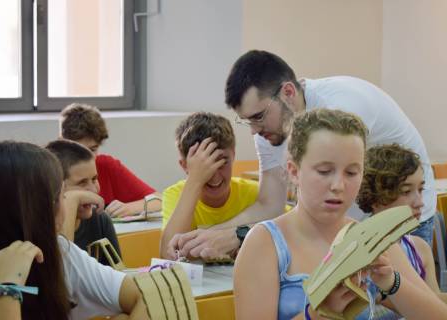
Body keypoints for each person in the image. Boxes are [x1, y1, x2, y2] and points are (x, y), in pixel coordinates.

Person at [177, 50, 436, 259]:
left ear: (288, 93)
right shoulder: (272, 128)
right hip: (344, 225)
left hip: (401, 215)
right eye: (247, 121)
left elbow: (327, 201)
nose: (255, 131)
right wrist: (206, 235)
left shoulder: (342, 109)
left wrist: (240, 234)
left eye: (258, 117)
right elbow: (270, 203)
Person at [234, 109, 447, 320]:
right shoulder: (264, 244)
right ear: (294, 171)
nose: (338, 185)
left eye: (352, 173)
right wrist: (319, 312)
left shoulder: (370, 239)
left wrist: (391, 282)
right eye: (324, 171)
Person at [0, 141, 147, 320]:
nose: (66, 206)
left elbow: (145, 297)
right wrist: (6, 290)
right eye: (62, 196)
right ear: (39, 211)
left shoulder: (61, 253)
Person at [160, 112, 260, 260]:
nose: (215, 177)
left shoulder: (256, 193)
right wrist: (195, 179)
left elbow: (295, 227)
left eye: (222, 162)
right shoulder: (175, 195)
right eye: (204, 166)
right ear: (184, 165)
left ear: (233, 156)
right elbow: (168, 257)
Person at [357, 143, 447, 305]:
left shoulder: (420, 249)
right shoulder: (362, 253)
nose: (420, 203)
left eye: (420, 190)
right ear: (376, 198)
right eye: (406, 191)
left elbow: (434, 302)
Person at [60, 103, 161, 217]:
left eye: (93, 149)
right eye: (79, 150)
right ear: (62, 142)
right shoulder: (50, 170)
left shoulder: (105, 165)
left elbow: (158, 200)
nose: (87, 158)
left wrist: (128, 208)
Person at [46, 139, 122, 266]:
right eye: (81, 183)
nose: (93, 190)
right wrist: (72, 200)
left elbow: (116, 277)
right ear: (56, 188)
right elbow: (64, 272)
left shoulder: (100, 220)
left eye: (94, 179)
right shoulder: (41, 228)